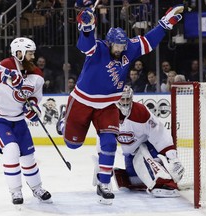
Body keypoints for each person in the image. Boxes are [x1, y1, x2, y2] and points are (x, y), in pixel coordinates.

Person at [56, 4, 184, 205]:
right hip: (82, 101)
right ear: (109, 43)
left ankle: (104, 184)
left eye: (123, 46)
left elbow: (149, 41)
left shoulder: (128, 48)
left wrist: (165, 24)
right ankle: (64, 123)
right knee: (73, 144)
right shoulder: (98, 48)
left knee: (108, 142)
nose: (120, 50)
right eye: (117, 46)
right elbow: (84, 45)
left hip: (108, 104)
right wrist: (87, 26)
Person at [0, 37, 52, 205]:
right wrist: (4, 76)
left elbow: (34, 97)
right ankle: (16, 191)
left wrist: (33, 108)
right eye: (30, 54)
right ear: (19, 53)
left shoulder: (37, 75)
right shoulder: (5, 65)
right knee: (11, 149)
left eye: (33, 53)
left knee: (28, 156)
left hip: (18, 121)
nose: (33, 57)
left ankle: (36, 188)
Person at [114, 85, 184, 197]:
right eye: (123, 99)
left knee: (144, 154)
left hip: (148, 148)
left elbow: (159, 133)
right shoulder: (109, 114)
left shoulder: (140, 111)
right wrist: (102, 165)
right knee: (134, 180)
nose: (126, 102)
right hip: (129, 154)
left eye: (128, 99)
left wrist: (172, 157)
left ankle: (166, 181)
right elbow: (104, 139)